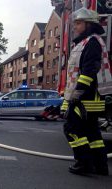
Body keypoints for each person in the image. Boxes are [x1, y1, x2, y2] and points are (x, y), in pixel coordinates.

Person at [61, 8, 109, 175]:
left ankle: (83, 163)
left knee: (72, 129)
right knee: (92, 132)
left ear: (89, 24)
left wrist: (76, 95)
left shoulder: (92, 43)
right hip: (91, 97)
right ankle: (100, 165)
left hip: (85, 97)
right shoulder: (89, 42)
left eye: (79, 23)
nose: (75, 26)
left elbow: (89, 71)